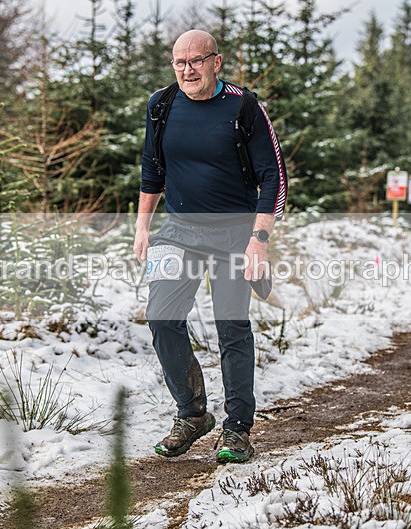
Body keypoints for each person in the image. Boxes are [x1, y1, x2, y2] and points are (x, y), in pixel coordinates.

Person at [133, 29, 288, 463]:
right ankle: (192, 413)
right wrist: (143, 227)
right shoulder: (162, 105)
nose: (187, 70)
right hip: (179, 231)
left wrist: (259, 241)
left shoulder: (244, 106)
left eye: (196, 61)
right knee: (163, 318)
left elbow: (274, 178)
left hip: (234, 233)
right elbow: (152, 168)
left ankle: (237, 428)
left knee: (230, 327)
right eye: (179, 63)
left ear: (216, 62)